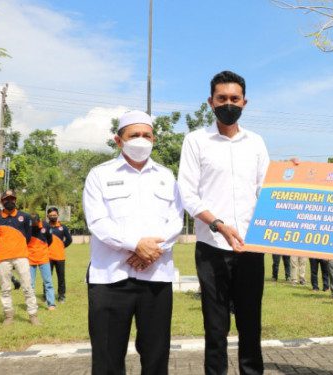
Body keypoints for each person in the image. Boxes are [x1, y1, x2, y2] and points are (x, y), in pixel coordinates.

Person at [178, 71, 270, 375]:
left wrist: (291, 176)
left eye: (234, 99)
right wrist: (218, 224)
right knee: (215, 329)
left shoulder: (256, 142)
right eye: (222, 99)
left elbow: (267, 190)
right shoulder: (196, 141)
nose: (228, 104)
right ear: (210, 102)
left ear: (244, 102)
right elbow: (188, 194)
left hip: (250, 246)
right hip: (212, 247)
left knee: (250, 326)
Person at [83, 110, 183, 374]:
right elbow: (97, 221)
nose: (141, 140)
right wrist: (135, 245)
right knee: (107, 358)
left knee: (156, 356)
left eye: (146, 135)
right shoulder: (99, 174)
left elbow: (175, 221)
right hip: (110, 278)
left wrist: (150, 252)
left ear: (154, 139)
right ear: (118, 140)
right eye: (134, 135)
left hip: (156, 278)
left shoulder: (166, 175)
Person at [0, 190, 39, 325]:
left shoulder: (25, 217)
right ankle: (8, 316)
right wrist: (6, 248)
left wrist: (18, 247)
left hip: (21, 256)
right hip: (3, 257)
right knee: (5, 288)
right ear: (2, 201)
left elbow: (28, 237)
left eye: (12, 199)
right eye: (6, 199)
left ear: (15, 200)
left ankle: (33, 315)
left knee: (28, 286)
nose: (10, 201)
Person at [27, 213, 55, 310]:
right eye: (33, 223)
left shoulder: (46, 225)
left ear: (39, 220)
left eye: (36, 223)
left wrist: (43, 249)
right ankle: (32, 305)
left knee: (48, 282)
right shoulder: (27, 226)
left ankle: (51, 304)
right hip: (30, 259)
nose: (34, 225)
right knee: (30, 284)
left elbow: (50, 240)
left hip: (43, 258)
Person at [47, 207, 72, 302]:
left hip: (60, 257)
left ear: (58, 215)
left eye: (54, 215)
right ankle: (46, 295)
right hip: (47, 257)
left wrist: (62, 246)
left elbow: (69, 240)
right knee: (47, 278)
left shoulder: (63, 227)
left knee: (61, 278)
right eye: (51, 215)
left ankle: (61, 296)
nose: (53, 217)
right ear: (48, 216)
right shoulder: (45, 226)